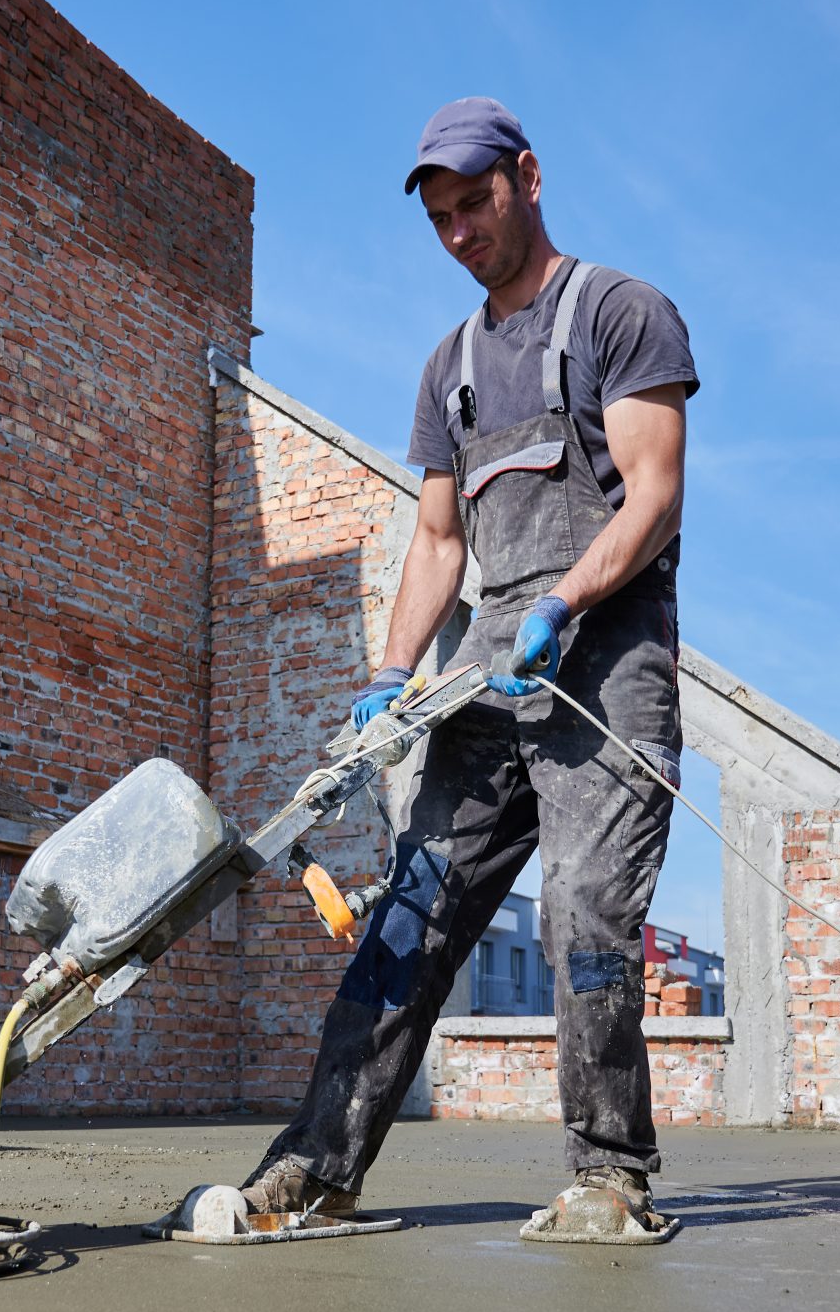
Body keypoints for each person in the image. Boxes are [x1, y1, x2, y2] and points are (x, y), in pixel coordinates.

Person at [241, 96, 698, 1243]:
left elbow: (652, 496)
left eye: (474, 203)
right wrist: (393, 670)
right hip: (486, 684)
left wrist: (560, 600)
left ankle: (608, 1176)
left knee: (586, 915)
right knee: (412, 914)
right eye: (439, 217)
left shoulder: (619, 313)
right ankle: (315, 1166)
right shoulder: (446, 366)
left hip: (604, 674)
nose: (459, 232)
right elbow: (439, 543)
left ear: (527, 177)